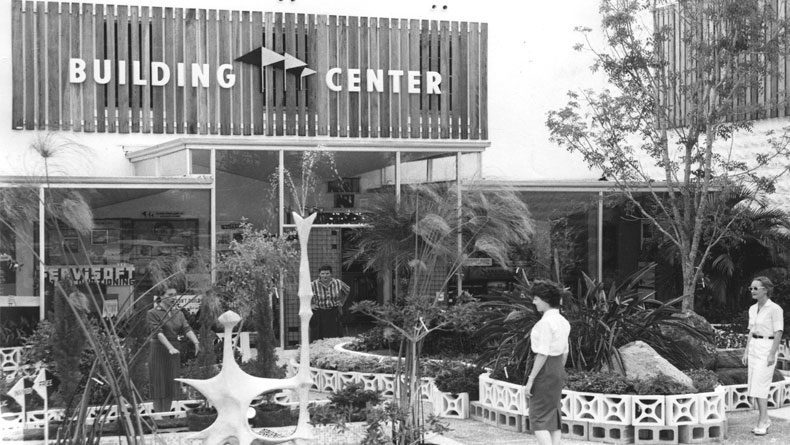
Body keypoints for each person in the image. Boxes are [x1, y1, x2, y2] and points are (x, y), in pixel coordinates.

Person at [525, 281, 571, 445]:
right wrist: (558, 372)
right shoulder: (563, 321)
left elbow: (542, 353)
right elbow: (565, 351)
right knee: (553, 414)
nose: (534, 302)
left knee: (537, 416)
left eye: (536, 298)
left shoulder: (545, 323)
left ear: (545, 299)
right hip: (558, 368)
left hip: (545, 369)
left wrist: (530, 380)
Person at [741, 276, 784, 436]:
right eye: (751, 288)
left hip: (767, 347)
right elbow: (751, 331)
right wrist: (746, 351)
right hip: (754, 348)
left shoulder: (775, 309)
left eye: (755, 288)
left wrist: (772, 353)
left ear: (765, 290)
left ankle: (763, 420)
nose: (752, 291)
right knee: (755, 385)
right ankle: (764, 419)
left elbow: (778, 331)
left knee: (761, 385)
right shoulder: (752, 309)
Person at [147, 287, 200, 413]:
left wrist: (196, 342)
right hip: (159, 350)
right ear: (162, 295)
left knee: (171, 385)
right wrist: (170, 348)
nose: (173, 298)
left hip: (174, 349)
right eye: (170, 295)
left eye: (175, 295)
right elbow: (158, 333)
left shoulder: (178, 313)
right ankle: (159, 416)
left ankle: (166, 416)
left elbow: (186, 328)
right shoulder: (153, 313)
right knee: (159, 385)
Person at [310, 265, 350, 340]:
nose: (325, 276)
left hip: (334, 312)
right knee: (318, 336)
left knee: (335, 336)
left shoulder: (338, 283)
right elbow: (304, 295)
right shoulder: (313, 284)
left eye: (327, 273)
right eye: (323, 273)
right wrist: (311, 305)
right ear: (319, 274)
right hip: (319, 313)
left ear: (331, 274)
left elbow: (347, 290)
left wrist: (341, 302)